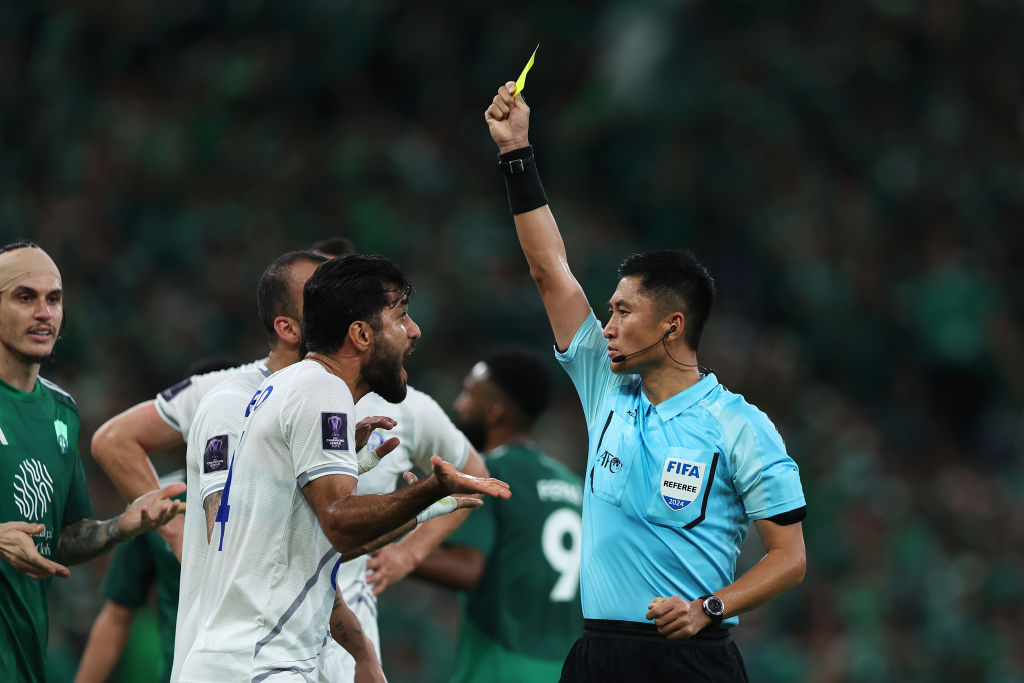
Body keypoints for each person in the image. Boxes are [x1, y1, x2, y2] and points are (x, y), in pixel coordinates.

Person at [484, 83, 807, 681]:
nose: (606, 327)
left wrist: (709, 608)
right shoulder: (605, 386)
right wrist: (516, 153)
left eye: (623, 313)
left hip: (692, 657)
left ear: (672, 326)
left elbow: (789, 558)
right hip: (597, 654)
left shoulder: (740, 426)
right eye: (608, 311)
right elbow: (548, 270)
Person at [176, 254, 511, 682]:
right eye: (402, 316)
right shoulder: (322, 388)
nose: (414, 330)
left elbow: (316, 546)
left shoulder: (284, 387)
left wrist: (422, 511)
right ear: (361, 334)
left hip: (241, 659)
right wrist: (428, 490)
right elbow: (339, 524)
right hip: (260, 662)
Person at [0, 241, 185, 683]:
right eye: (24, 297)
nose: (44, 312)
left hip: (23, 664)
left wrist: (122, 525)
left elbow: (61, 539)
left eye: (54, 298)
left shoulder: (62, 411)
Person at [413, 348, 585, 683]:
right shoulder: (574, 484)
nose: (459, 405)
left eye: (468, 393)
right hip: (565, 670)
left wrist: (384, 550)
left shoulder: (488, 475)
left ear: (495, 412)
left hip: (499, 669)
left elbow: (467, 569)